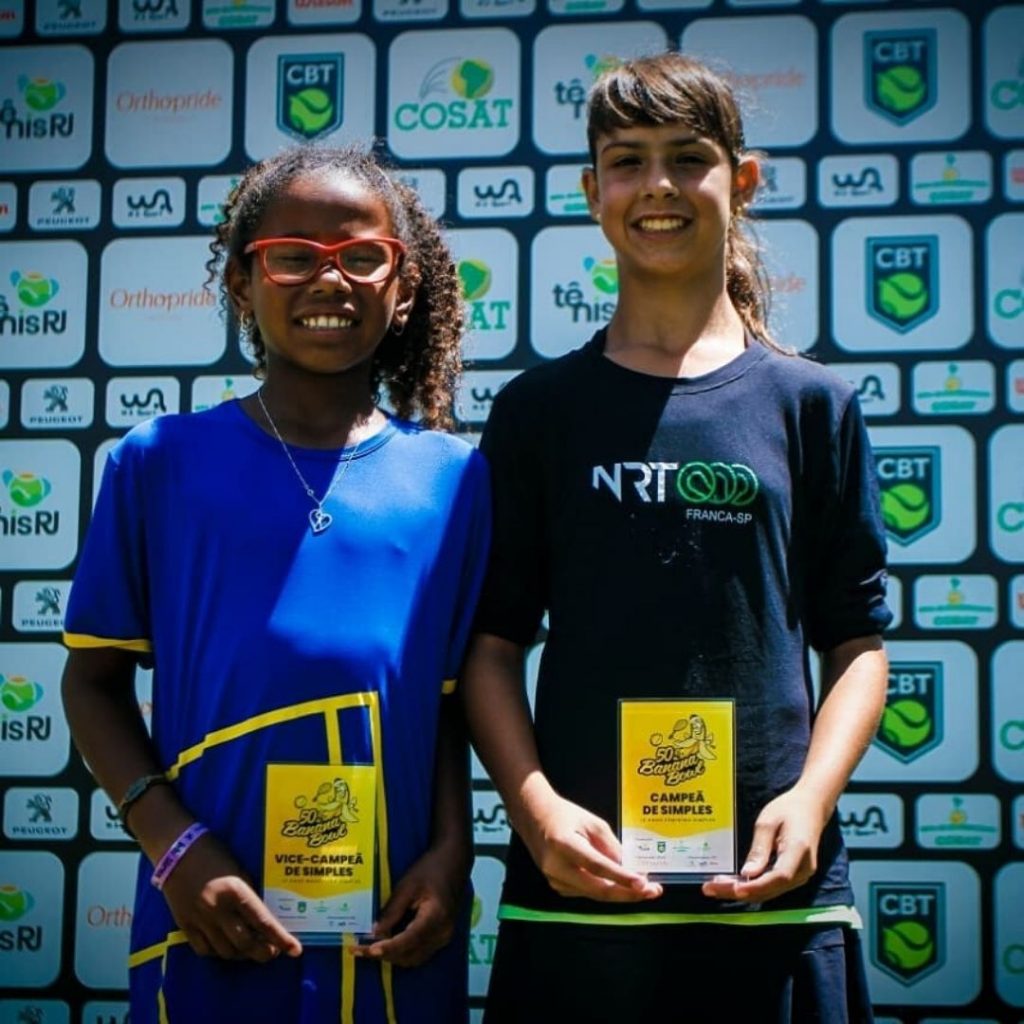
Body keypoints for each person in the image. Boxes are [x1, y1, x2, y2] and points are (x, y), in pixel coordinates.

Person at [462, 52, 891, 1023]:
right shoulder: (539, 411)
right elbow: (489, 647)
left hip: (773, 893)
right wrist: (538, 814)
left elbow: (857, 645)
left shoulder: (813, 405)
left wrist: (810, 802)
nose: (657, 184)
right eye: (627, 161)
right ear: (592, 192)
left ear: (742, 180)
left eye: (687, 157)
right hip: (580, 893)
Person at [62, 143, 490, 1024]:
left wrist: (454, 853)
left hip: (394, 932)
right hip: (212, 922)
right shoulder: (159, 462)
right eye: (293, 256)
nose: (329, 280)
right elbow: (92, 684)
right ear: (241, 283)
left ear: (405, 288)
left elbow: (448, 703)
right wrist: (174, 848)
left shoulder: (453, 479)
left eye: (362, 256)